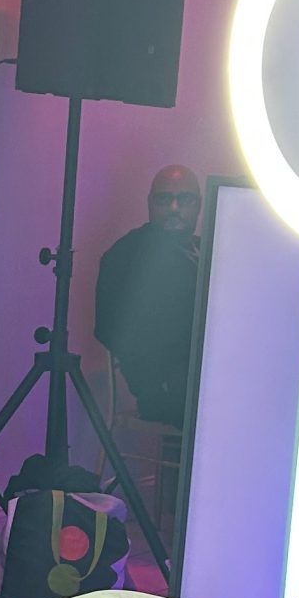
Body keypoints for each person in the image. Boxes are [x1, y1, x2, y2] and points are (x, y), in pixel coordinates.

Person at [93, 164, 203, 427]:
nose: (174, 208)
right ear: (150, 204)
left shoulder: (205, 248)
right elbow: (110, 330)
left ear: (198, 205)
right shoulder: (129, 254)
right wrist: (157, 378)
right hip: (166, 389)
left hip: (205, 378)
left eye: (184, 199)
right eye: (164, 199)